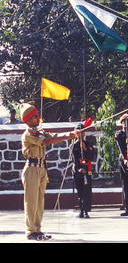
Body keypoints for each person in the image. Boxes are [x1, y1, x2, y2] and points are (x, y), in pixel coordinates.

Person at [20, 102, 78, 241]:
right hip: (32, 169)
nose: (37, 116)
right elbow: (48, 140)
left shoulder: (38, 131)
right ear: (27, 120)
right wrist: (68, 136)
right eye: (34, 116)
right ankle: (30, 231)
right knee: (31, 201)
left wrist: (70, 133)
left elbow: (54, 134)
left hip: (41, 168)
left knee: (40, 201)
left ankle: (37, 229)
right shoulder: (29, 134)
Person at [72, 123, 95, 218]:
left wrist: (85, 149)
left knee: (86, 191)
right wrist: (78, 169)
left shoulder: (88, 144)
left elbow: (92, 156)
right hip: (78, 170)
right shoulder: (74, 145)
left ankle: (86, 210)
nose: (80, 135)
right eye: (78, 133)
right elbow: (73, 159)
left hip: (86, 169)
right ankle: (81, 210)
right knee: (80, 191)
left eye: (82, 132)